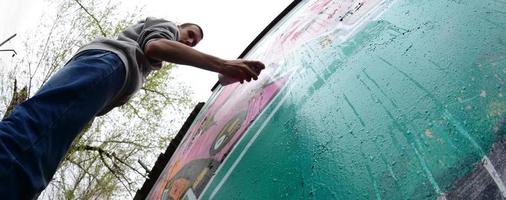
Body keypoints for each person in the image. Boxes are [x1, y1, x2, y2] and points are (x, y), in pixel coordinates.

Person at [0, 17, 264, 199]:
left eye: (195, 43)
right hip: (107, 64)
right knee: (34, 139)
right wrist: (221, 64)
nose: (191, 42)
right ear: (179, 26)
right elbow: (157, 46)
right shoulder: (166, 28)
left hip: (100, 71)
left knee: (43, 144)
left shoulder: (136, 66)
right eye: (190, 35)